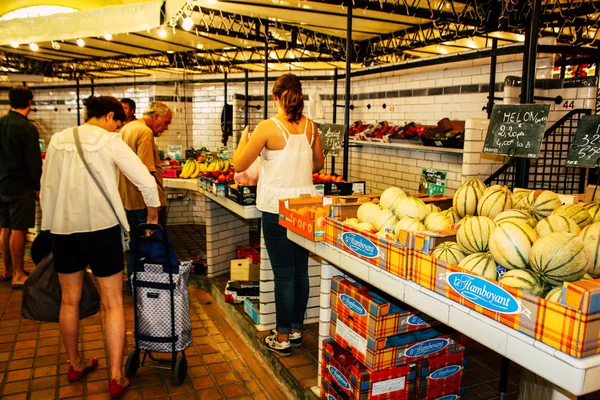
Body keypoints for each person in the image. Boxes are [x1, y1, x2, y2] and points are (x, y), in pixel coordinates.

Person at [40, 96, 161, 398]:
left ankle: (75, 363)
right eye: (117, 122)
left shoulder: (57, 141)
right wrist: (153, 213)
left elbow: (47, 187)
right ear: (109, 116)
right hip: (102, 230)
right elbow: (144, 178)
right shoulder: (109, 141)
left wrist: (48, 226)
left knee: (69, 301)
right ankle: (116, 376)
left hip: (64, 229)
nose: (118, 128)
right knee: (113, 303)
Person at [233, 73, 324, 356]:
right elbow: (317, 164)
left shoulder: (267, 127)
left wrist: (243, 138)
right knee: (300, 273)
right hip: (306, 208)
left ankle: (282, 339)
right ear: (299, 95)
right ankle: (295, 330)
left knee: (283, 275)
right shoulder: (310, 126)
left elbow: (238, 165)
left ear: (275, 97)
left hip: (276, 209)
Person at [118, 101, 172, 294]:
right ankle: (151, 288)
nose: (166, 128)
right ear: (155, 117)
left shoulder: (127, 128)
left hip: (127, 200)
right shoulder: (145, 133)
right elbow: (146, 173)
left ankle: (133, 284)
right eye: (166, 122)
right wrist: (154, 210)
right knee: (153, 246)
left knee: (134, 245)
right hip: (143, 202)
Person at [0, 86, 42, 288]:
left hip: (2, 184)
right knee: (19, 229)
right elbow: (33, 162)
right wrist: (37, 186)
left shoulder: (1, 123)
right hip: (20, 185)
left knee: (5, 227)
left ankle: (7, 269)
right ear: (30, 102)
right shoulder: (27, 128)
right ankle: (18, 274)